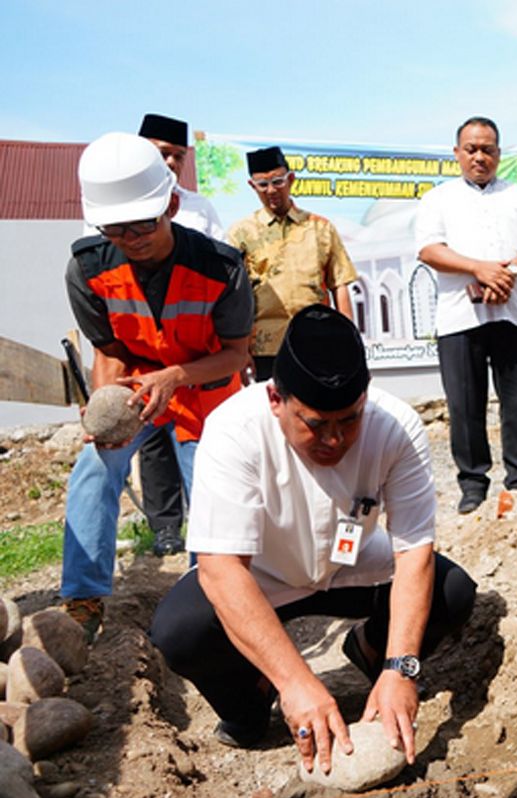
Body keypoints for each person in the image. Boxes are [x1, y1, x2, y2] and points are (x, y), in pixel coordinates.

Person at [149, 305, 476, 774]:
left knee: (452, 592)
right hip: (260, 578)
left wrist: (400, 666)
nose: (335, 439)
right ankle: (253, 694)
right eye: (316, 423)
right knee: (180, 632)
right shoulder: (233, 431)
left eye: (349, 420)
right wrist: (294, 680)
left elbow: (413, 551)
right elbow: (221, 570)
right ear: (276, 400)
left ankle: (368, 650)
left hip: (352, 566)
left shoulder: (396, 428)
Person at [64, 132, 253, 640]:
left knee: (210, 492)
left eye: (143, 223)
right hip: (138, 389)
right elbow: (108, 349)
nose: (132, 236)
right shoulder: (88, 269)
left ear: (171, 203)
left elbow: (236, 353)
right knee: (93, 466)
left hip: (205, 388)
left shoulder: (222, 267)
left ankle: (207, 596)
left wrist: (175, 377)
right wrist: (106, 412)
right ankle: (83, 598)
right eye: (116, 228)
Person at [415, 117, 517, 514]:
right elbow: (428, 250)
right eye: (471, 149)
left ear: (498, 153)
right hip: (460, 318)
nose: (480, 156)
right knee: (464, 405)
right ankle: (473, 484)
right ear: (457, 153)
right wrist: (478, 269)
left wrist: (506, 273)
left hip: (515, 314)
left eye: (488, 149)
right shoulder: (438, 199)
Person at [132, 112, 226, 557]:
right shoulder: (116, 203)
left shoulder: (198, 207)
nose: (169, 162)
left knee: (198, 447)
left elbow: (226, 269)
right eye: (160, 153)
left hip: (194, 353)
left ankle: (207, 544)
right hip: (140, 349)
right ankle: (166, 527)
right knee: (152, 443)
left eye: (176, 156)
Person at [227, 146, 358, 380]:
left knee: (316, 410)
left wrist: (348, 339)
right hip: (263, 348)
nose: (271, 190)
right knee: (272, 411)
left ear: (291, 179)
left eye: (278, 182)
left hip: (316, 341)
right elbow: (234, 296)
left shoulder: (320, 228)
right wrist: (239, 350)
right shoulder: (241, 233)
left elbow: (340, 284)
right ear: (252, 186)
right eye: (262, 185)